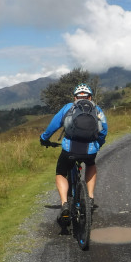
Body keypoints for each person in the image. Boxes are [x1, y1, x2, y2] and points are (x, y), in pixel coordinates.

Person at [40, 83, 108, 222]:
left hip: (69, 149)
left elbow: (52, 126)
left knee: (60, 172)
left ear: (74, 97)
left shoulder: (68, 107)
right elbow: (103, 130)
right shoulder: (97, 109)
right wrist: (98, 145)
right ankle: (89, 197)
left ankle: (65, 203)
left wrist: (44, 138)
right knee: (91, 164)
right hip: (90, 149)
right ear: (90, 97)